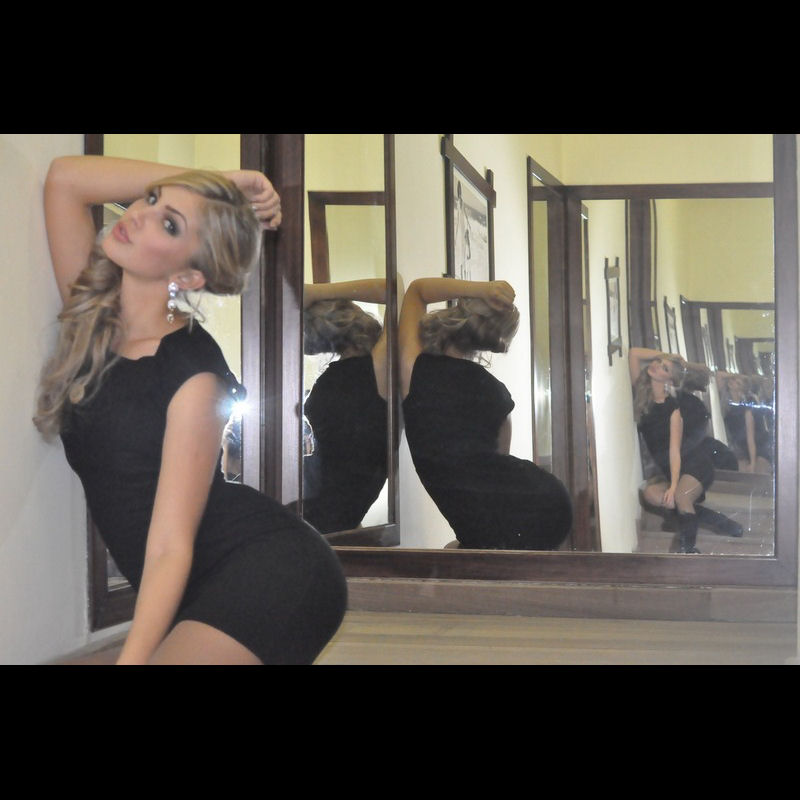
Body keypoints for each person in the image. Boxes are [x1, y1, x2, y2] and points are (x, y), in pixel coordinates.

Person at [34, 155, 347, 664]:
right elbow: (66, 180)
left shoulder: (193, 373)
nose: (138, 215)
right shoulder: (92, 316)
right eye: (151, 198)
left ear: (190, 274)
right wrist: (216, 182)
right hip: (193, 581)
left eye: (169, 224)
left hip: (271, 570)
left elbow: (169, 546)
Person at [398, 277, 572, 550]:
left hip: (495, 520)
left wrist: (481, 290)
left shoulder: (414, 370)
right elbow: (495, 470)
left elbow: (416, 291)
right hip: (546, 505)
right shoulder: (497, 393)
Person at [630, 347, 743, 553]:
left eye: (664, 368)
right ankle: (721, 522)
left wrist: (673, 485)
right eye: (658, 362)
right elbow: (634, 353)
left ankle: (688, 550)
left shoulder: (672, 408)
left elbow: (674, 450)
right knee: (650, 494)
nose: (656, 366)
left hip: (695, 465)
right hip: (673, 470)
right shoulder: (641, 393)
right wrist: (668, 356)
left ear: (670, 380)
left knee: (681, 496)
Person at [301, 280, 389, 533]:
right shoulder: (378, 369)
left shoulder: (378, 368)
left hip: (328, 505)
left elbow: (393, 289)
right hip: (333, 502)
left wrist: (315, 291)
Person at [717, 372, 773, 474]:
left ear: (741, 389)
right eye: (732, 380)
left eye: (737, 383)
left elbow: (750, 436)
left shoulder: (746, 408)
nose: (732, 382)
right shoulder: (726, 403)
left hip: (756, 445)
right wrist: (736, 376)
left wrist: (752, 462)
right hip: (739, 446)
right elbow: (719, 375)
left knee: (757, 471)